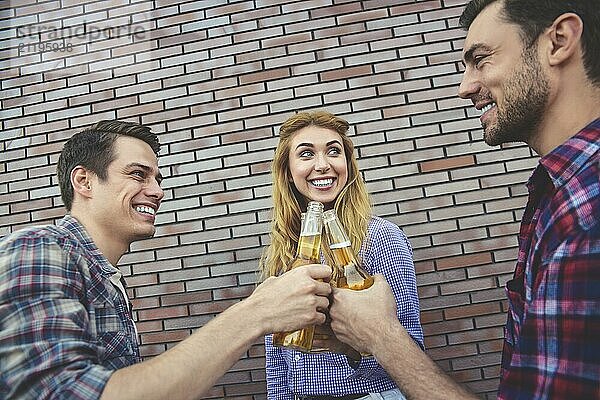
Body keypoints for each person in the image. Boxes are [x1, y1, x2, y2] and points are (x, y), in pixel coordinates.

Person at [329, 0, 600, 399]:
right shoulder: (556, 191)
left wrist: (383, 338)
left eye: (481, 59)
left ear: (559, 41)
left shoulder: (587, 211)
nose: (465, 87)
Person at [0, 120, 333, 400]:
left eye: (157, 179)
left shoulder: (107, 279)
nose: (157, 191)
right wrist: (255, 314)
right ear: (84, 181)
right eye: (138, 175)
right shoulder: (38, 248)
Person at [258, 111, 424, 399]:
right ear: (288, 170)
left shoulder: (380, 237)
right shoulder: (284, 248)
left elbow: (411, 349)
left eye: (333, 151)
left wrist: (351, 347)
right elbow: (277, 359)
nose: (322, 165)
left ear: (348, 165)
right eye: (306, 154)